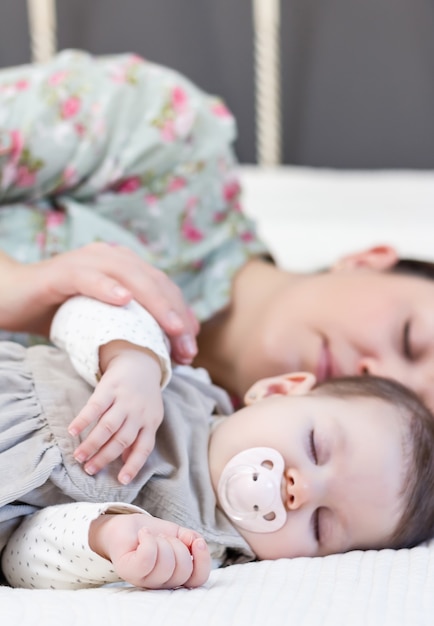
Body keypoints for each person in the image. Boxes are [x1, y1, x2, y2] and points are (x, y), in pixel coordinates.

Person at [2, 51, 434, 424]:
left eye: (413, 409)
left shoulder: (209, 483)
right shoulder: (171, 142)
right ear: (367, 259)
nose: (378, 377)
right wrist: (16, 287)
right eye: (408, 339)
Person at [1, 295, 434, 591]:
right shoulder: (173, 375)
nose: (302, 490)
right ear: (278, 390)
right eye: (316, 446)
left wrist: (107, 537)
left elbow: (19, 557)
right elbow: (83, 307)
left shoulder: (191, 549)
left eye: (322, 524)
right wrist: (131, 361)